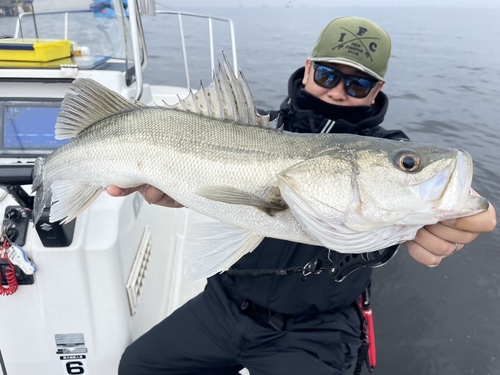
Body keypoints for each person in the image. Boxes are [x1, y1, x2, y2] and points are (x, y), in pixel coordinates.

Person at [110, 17, 497, 375]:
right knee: (139, 366)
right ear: (308, 68)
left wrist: (451, 220)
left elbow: (464, 209)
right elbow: (207, 182)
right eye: (328, 75)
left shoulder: (387, 148)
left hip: (317, 329)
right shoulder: (256, 126)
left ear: (377, 90)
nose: (339, 92)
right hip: (224, 303)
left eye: (358, 84)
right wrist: (185, 191)